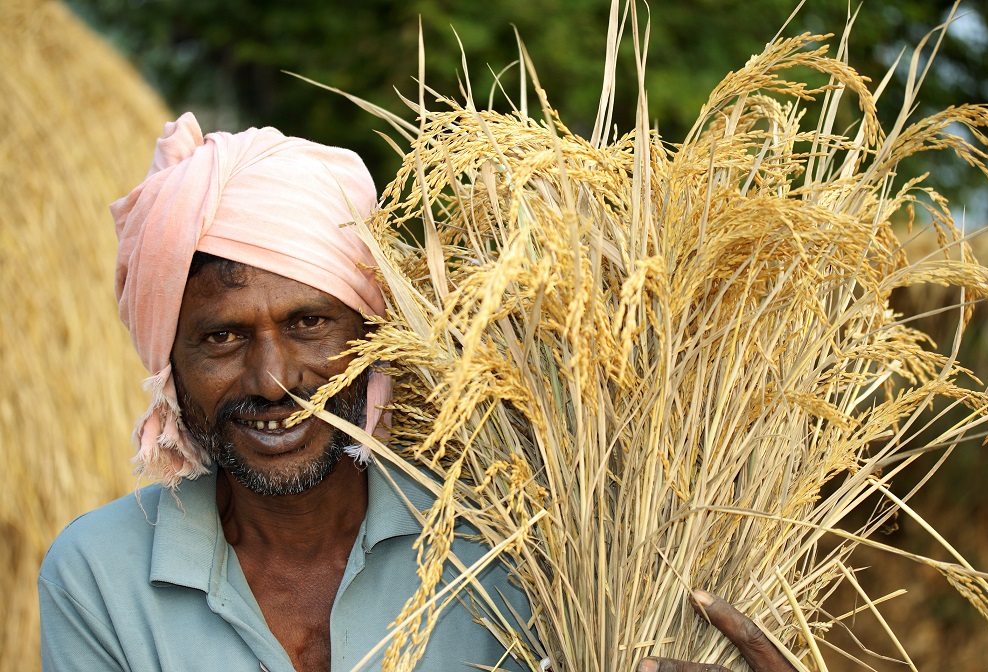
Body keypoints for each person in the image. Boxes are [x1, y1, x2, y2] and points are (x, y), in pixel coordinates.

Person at [38, 113, 796, 672]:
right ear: (167, 360)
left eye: (309, 323)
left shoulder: (518, 552)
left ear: (375, 334)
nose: (274, 381)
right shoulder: (100, 574)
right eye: (222, 338)